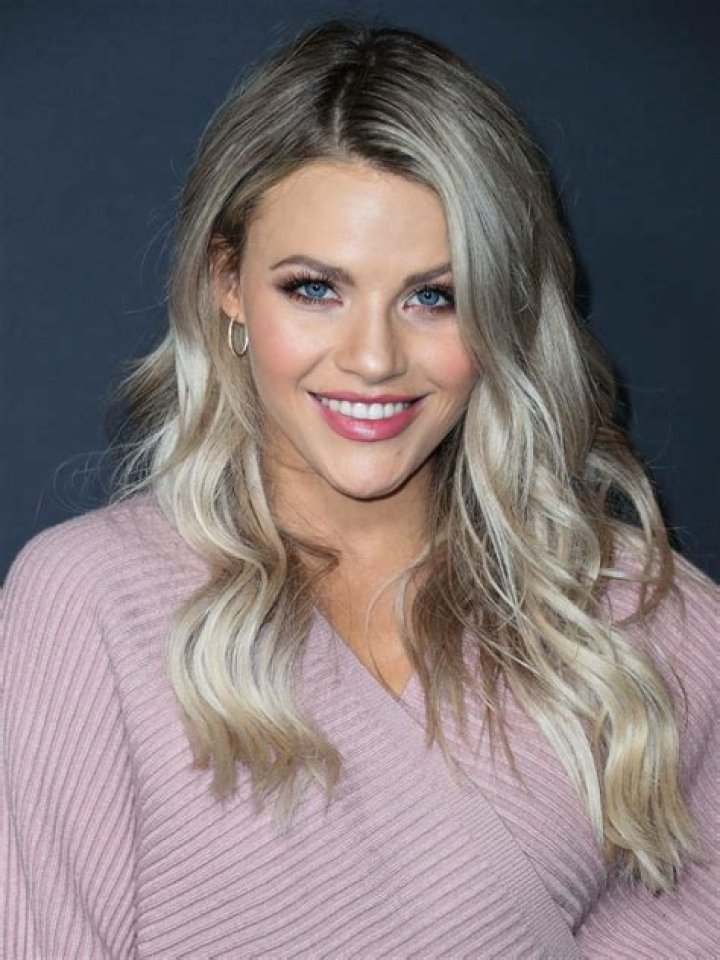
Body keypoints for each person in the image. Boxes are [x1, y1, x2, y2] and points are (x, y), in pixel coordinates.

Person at [2, 18, 717, 960]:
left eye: (434, 296)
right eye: (315, 288)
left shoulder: (640, 616)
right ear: (227, 281)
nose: (374, 358)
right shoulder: (87, 604)